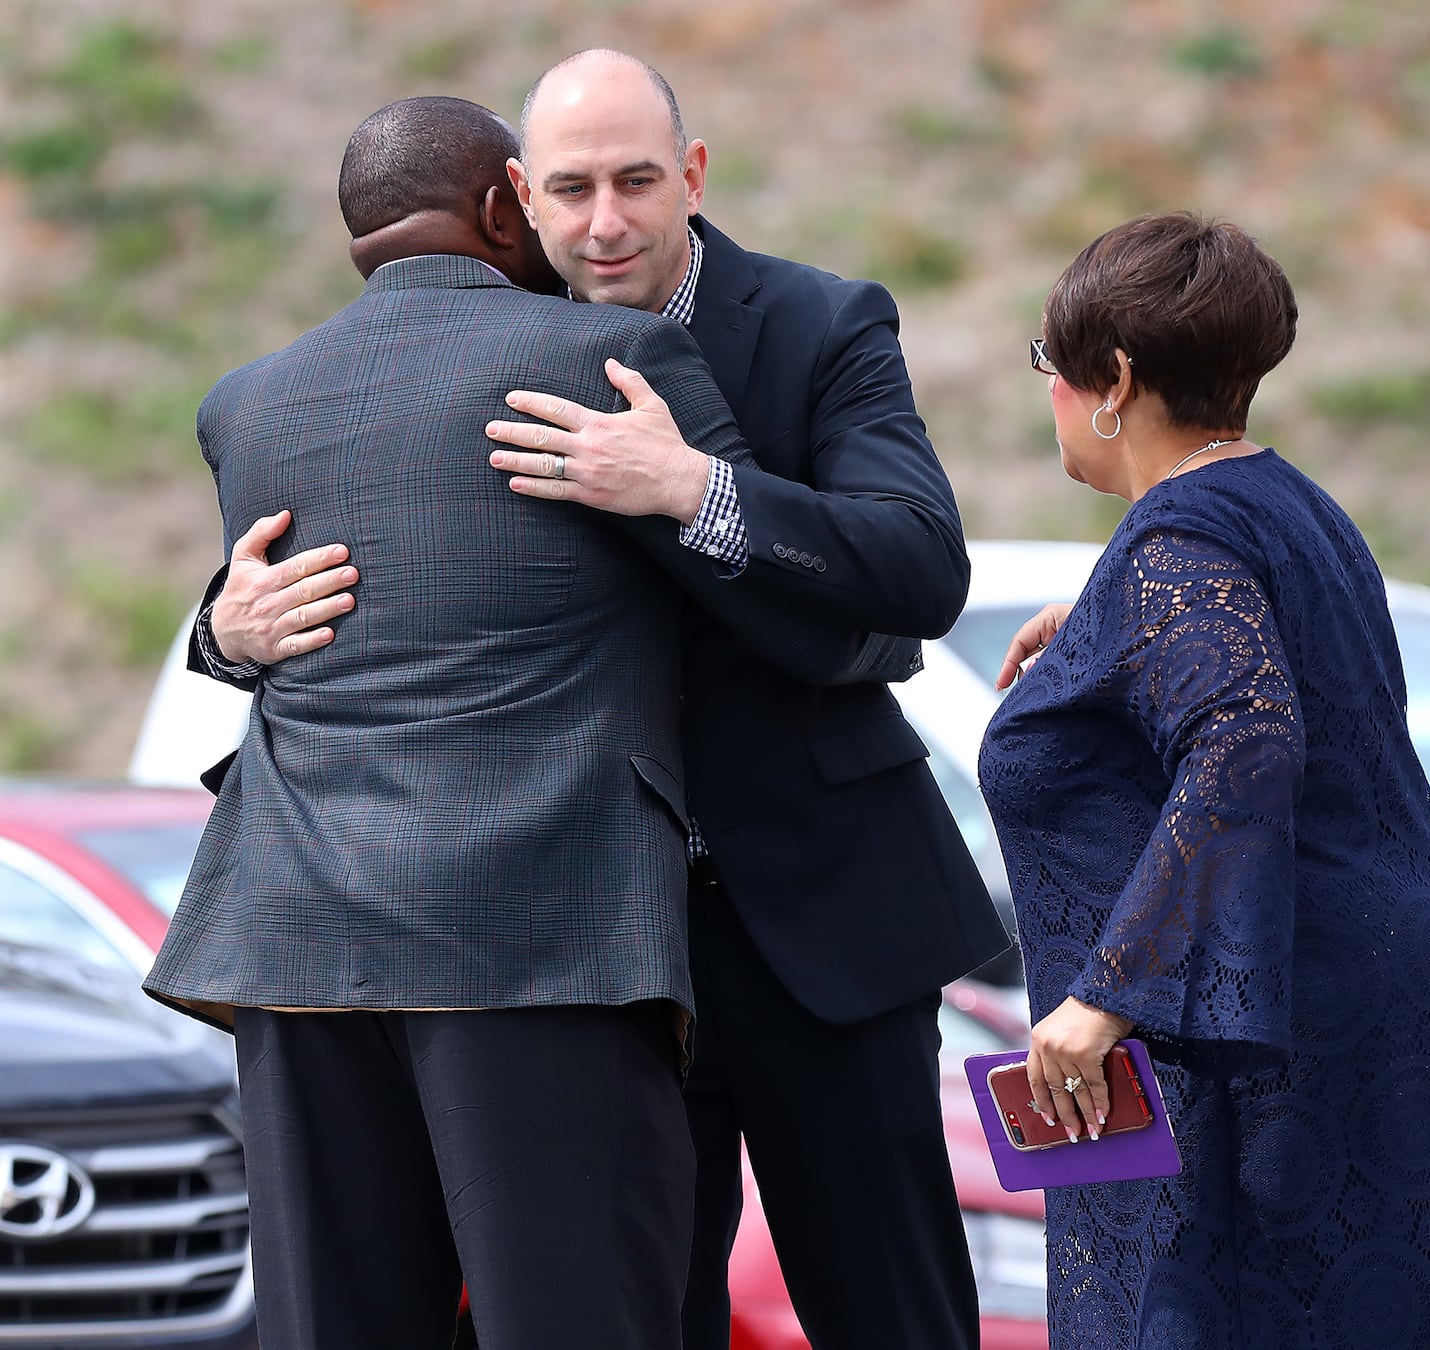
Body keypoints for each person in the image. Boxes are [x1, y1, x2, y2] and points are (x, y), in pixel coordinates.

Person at [193, 51, 1009, 1350]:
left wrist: (694, 488)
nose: (605, 221)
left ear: (691, 175)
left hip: (819, 920)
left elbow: (920, 563)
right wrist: (220, 629)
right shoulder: (449, 346)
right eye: (570, 190)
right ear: (516, 197)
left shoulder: (821, 322)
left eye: (636, 181)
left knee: (893, 1314)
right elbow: (353, 564)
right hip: (574, 954)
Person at [979, 212, 1430, 1347]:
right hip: (1387, 977)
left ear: (1111, 378)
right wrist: (1106, 632)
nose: (1051, 395)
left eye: (1049, 367)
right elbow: (1284, 675)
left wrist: (1106, 992)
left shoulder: (1180, 544)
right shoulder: (1287, 505)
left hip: (1301, 1025)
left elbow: (1250, 736)